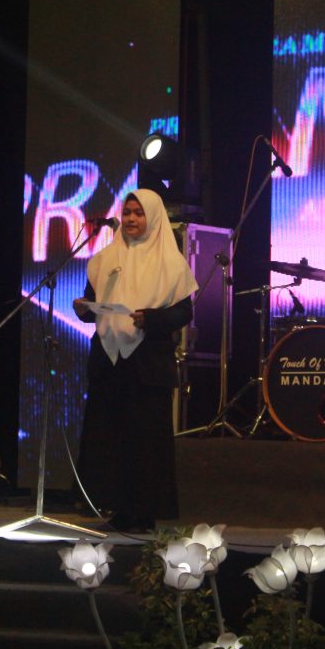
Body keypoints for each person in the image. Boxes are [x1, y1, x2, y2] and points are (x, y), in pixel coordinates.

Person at [73, 188, 197, 533]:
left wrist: (151, 319)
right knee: (111, 437)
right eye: (127, 212)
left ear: (153, 217)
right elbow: (95, 303)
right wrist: (84, 310)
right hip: (109, 360)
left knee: (145, 441)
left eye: (138, 213)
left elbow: (183, 312)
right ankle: (117, 507)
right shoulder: (104, 259)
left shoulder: (171, 262)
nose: (130, 219)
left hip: (147, 363)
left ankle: (145, 512)